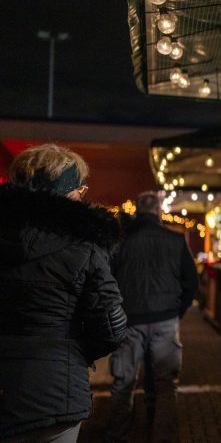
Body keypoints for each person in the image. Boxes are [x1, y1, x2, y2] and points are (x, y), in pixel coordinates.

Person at [0, 144, 127, 442]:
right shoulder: (85, 246)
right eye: (80, 190)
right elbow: (111, 326)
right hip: (55, 394)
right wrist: (72, 352)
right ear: (69, 192)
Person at [106, 192, 198, 443]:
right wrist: (178, 311)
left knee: (123, 382)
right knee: (166, 383)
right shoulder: (175, 240)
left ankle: (118, 435)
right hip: (165, 319)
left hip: (130, 320)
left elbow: (109, 281)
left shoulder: (122, 243)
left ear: (138, 211)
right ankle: (163, 436)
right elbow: (191, 281)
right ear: (158, 212)